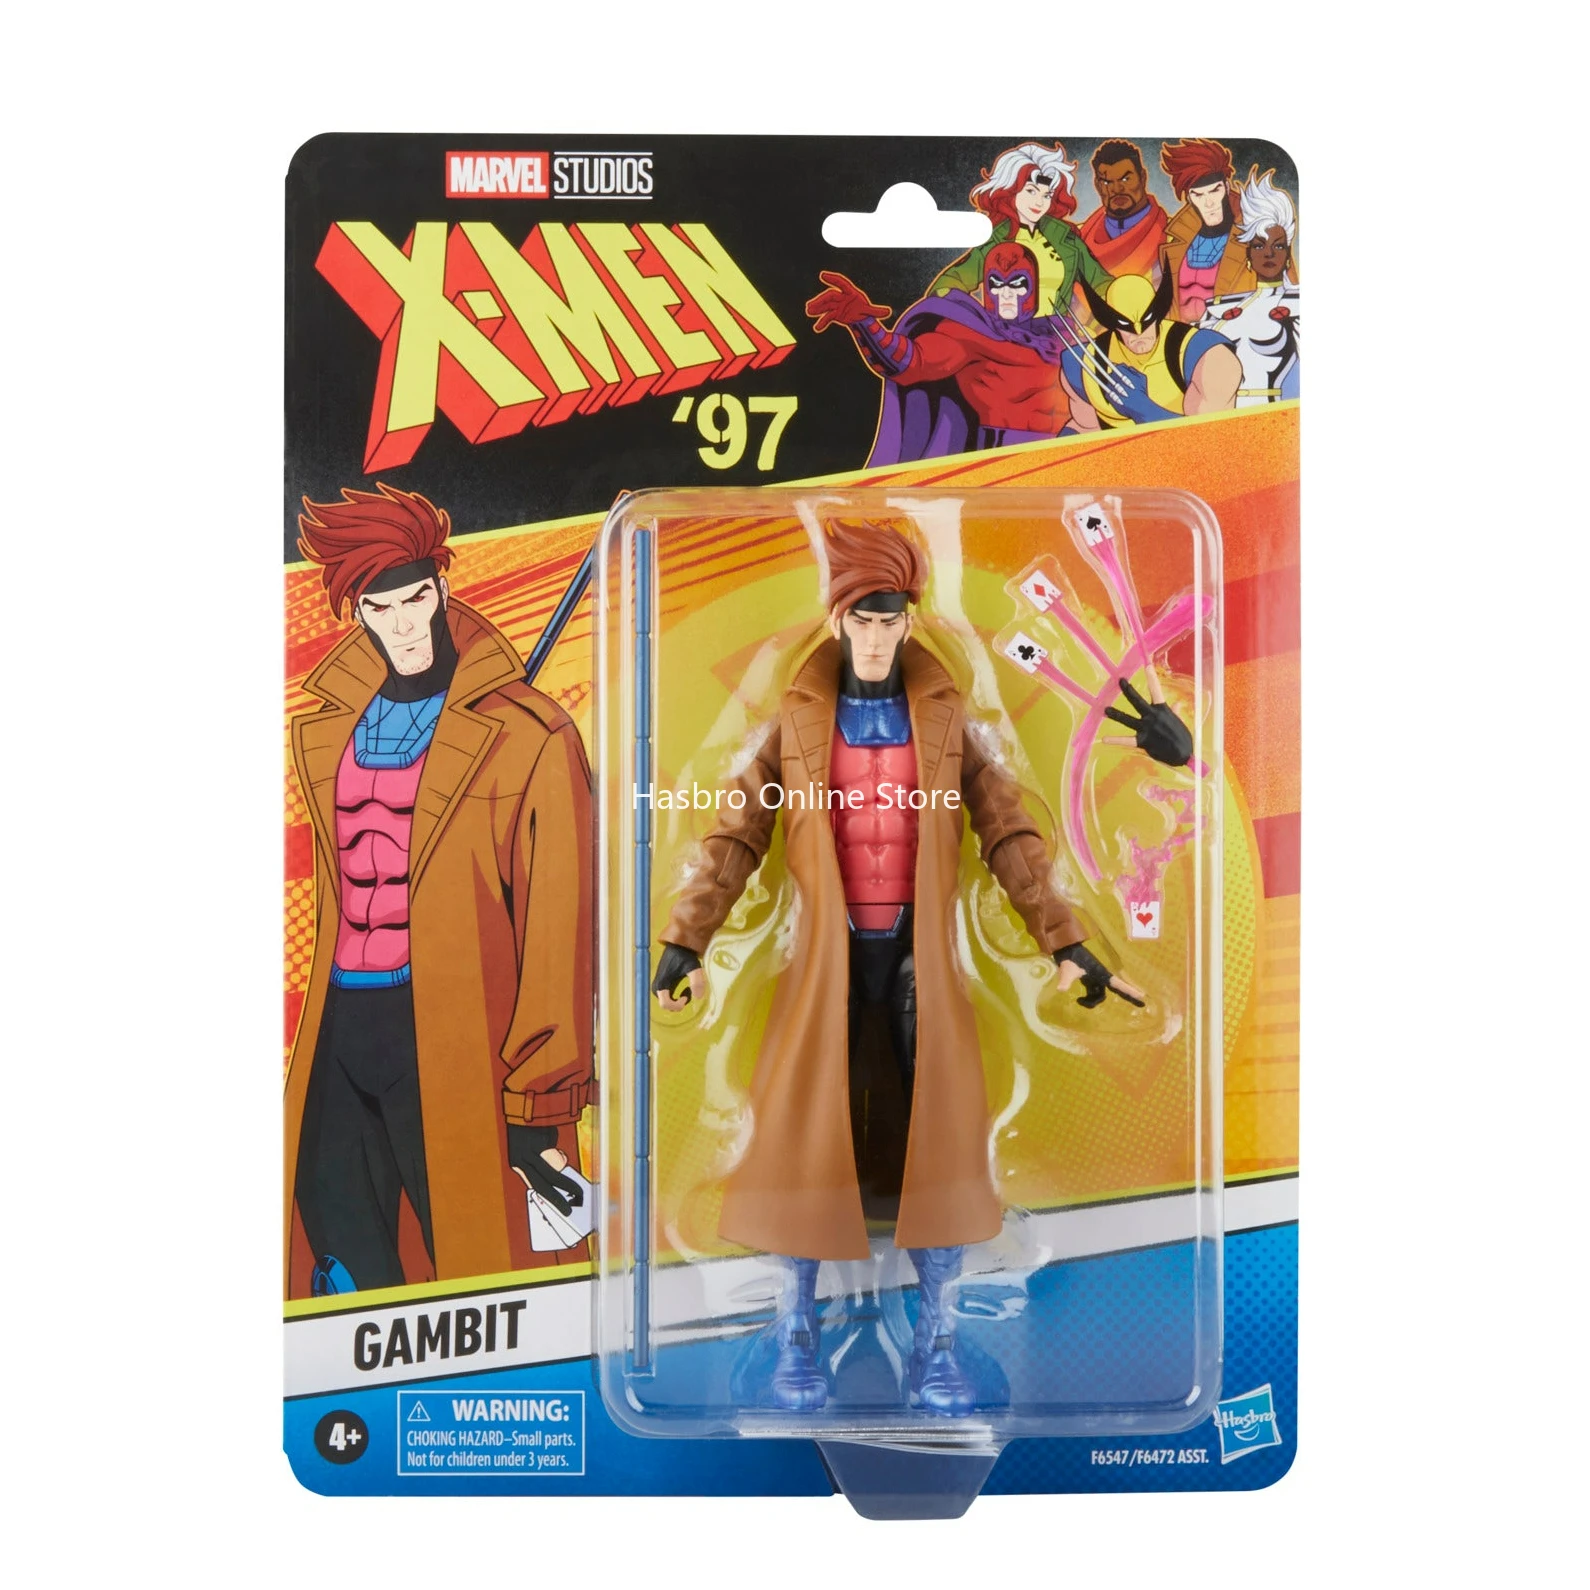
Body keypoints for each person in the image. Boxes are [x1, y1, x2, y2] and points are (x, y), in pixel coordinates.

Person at [650, 521, 1143, 1415]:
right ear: (838, 620)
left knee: (938, 1152)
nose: (876, 637)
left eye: (890, 620)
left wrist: (1069, 946)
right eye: (862, 621)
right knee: (807, 1144)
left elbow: (1010, 834)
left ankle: (938, 1342)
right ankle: (795, 1334)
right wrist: (687, 938)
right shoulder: (797, 721)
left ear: (909, 620)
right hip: (826, 966)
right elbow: (735, 835)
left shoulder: (947, 721)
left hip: (921, 961)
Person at [284, 484, 593, 1296]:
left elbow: (558, 931)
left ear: (443, 588)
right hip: (343, 1024)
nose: (404, 626)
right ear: (358, 613)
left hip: (453, 1038)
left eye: (416, 598)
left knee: (479, 1260)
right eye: (380, 608)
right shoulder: (331, 725)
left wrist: (539, 1102)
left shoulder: (532, 735)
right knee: (337, 1245)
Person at [807, 244, 1069, 463]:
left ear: (1033, 285)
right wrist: (865, 324)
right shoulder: (970, 334)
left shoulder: (1061, 330)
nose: (1007, 294)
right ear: (985, 287)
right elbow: (911, 361)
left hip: (1073, 456)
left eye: (1017, 284)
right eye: (997, 284)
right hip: (1004, 463)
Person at [928, 141, 1112, 316]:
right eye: (1031, 191)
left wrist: (1123, 298)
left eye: (1047, 195)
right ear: (1011, 191)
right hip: (1006, 333)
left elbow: (1101, 283)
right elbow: (952, 282)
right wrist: (967, 316)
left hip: (1055, 332)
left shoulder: (1066, 239)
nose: (1039, 202)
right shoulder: (996, 239)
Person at [1061, 272, 1241, 429]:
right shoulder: (1085, 364)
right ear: (1111, 321)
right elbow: (1082, 431)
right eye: (1126, 324)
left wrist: (1143, 409)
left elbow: (1212, 438)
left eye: (1146, 320)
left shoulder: (1208, 357)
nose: (1139, 333)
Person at [1200, 167, 1300, 405]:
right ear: (1248, 255)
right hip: (1223, 413)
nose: (1269, 253)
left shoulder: (1298, 305)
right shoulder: (1218, 309)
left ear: (1288, 255)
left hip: (1272, 412)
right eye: (1259, 246)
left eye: (1278, 246)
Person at [1158, 137, 1251, 322]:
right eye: (1198, 195)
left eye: (1215, 190)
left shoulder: (1255, 235)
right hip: (1183, 335)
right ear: (1189, 198)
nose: (1208, 203)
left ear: (1226, 187)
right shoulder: (1177, 242)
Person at [1076, 139, 1170, 279]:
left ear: (1142, 178)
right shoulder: (1080, 239)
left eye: (1126, 179)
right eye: (1107, 182)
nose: (1117, 189)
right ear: (1097, 186)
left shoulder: (1172, 235)